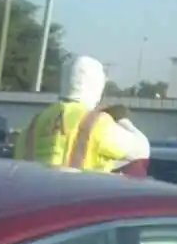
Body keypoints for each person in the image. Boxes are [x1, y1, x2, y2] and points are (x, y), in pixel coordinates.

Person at [15, 55, 150, 172]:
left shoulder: (35, 123)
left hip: (36, 200)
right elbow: (142, 150)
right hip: (78, 198)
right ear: (97, 85)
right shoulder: (97, 123)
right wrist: (121, 118)